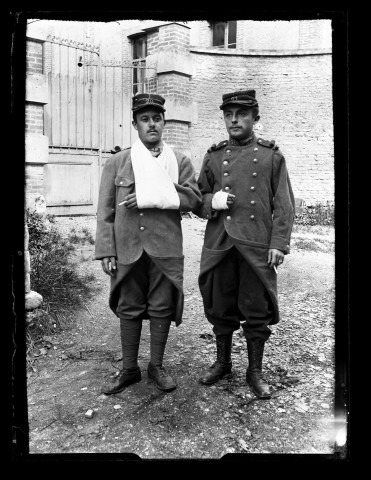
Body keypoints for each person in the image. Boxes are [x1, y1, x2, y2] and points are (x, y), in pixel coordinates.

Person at [95, 93, 202, 394]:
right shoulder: (118, 161)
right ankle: (130, 369)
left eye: (157, 118)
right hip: (128, 244)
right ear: (135, 124)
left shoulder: (179, 161)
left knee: (161, 306)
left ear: (164, 122)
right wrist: (105, 249)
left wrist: (155, 194)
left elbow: (192, 200)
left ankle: (156, 366)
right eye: (145, 119)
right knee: (128, 306)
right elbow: (105, 209)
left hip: (165, 246)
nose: (151, 124)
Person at [195, 89, 295, 399]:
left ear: (255, 118)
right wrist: (213, 200)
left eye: (242, 114)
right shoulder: (213, 156)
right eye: (229, 115)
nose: (234, 120)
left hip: (255, 244)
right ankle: (223, 362)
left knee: (256, 308)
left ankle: (254, 371)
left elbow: (285, 204)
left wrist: (278, 243)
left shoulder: (270, 155)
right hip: (222, 242)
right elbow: (197, 201)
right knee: (219, 304)